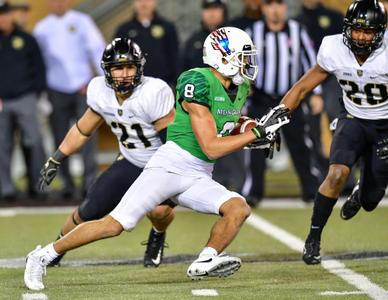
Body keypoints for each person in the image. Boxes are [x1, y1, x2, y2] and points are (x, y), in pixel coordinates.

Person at [24, 26, 290, 291]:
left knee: (238, 207)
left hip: (199, 172)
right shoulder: (196, 80)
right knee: (115, 224)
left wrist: (252, 130)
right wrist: (256, 132)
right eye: (242, 56)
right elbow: (211, 147)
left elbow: (228, 123)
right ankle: (43, 255)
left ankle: (206, 259)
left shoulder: (239, 87)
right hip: (170, 165)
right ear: (222, 57)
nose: (247, 62)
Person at [264, 0, 388, 264]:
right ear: (347, 29)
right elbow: (301, 87)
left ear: (380, 32)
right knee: (336, 173)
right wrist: (277, 115)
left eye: (369, 32)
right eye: (358, 30)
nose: (362, 37)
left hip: (385, 125)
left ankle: (360, 192)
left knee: (370, 201)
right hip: (353, 118)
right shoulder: (333, 48)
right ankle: (313, 238)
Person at [37, 38, 176, 268]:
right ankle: (54, 250)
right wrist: (56, 158)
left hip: (162, 162)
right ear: (108, 71)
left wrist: (168, 176)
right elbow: (83, 129)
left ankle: (157, 235)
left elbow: (172, 141)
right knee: (89, 209)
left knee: (158, 210)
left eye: (130, 67)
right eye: (118, 68)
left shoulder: (154, 91)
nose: (124, 74)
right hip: (131, 159)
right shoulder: (99, 91)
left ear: (139, 67)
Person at [243, 0, 323, 206]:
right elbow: (242, 62)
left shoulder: (297, 31)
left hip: (291, 99)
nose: (275, 9)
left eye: (279, 4)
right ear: (264, 8)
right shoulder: (252, 32)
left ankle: (311, 189)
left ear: (285, 7)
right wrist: (244, 86)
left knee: (301, 145)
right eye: (270, 4)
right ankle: (253, 192)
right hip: (261, 98)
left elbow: (311, 64)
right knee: (255, 144)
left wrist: (316, 93)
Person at [33, 0, 106, 198]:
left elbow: (97, 50)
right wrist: (42, 90)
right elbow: (38, 61)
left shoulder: (83, 21)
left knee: (87, 134)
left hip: (82, 86)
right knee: (60, 137)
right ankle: (67, 184)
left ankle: (89, 181)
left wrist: (103, 82)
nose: (58, 4)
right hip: (55, 88)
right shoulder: (41, 28)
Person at [0, 1, 46, 201]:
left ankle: (38, 186)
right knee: (2, 145)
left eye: (6, 14)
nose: (3, 18)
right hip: (1, 101)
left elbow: (39, 67)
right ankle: (6, 188)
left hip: (26, 97)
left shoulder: (27, 39)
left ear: (12, 15)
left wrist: (38, 94)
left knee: (34, 142)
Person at [114, 0, 179, 87]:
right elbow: (117, 60)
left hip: (163, 85)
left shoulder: (167, 27)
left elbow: (175, 57)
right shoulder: (123, 31)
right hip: (134, 88)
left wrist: (175, 84)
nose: (143, 4)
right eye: (139, 1)